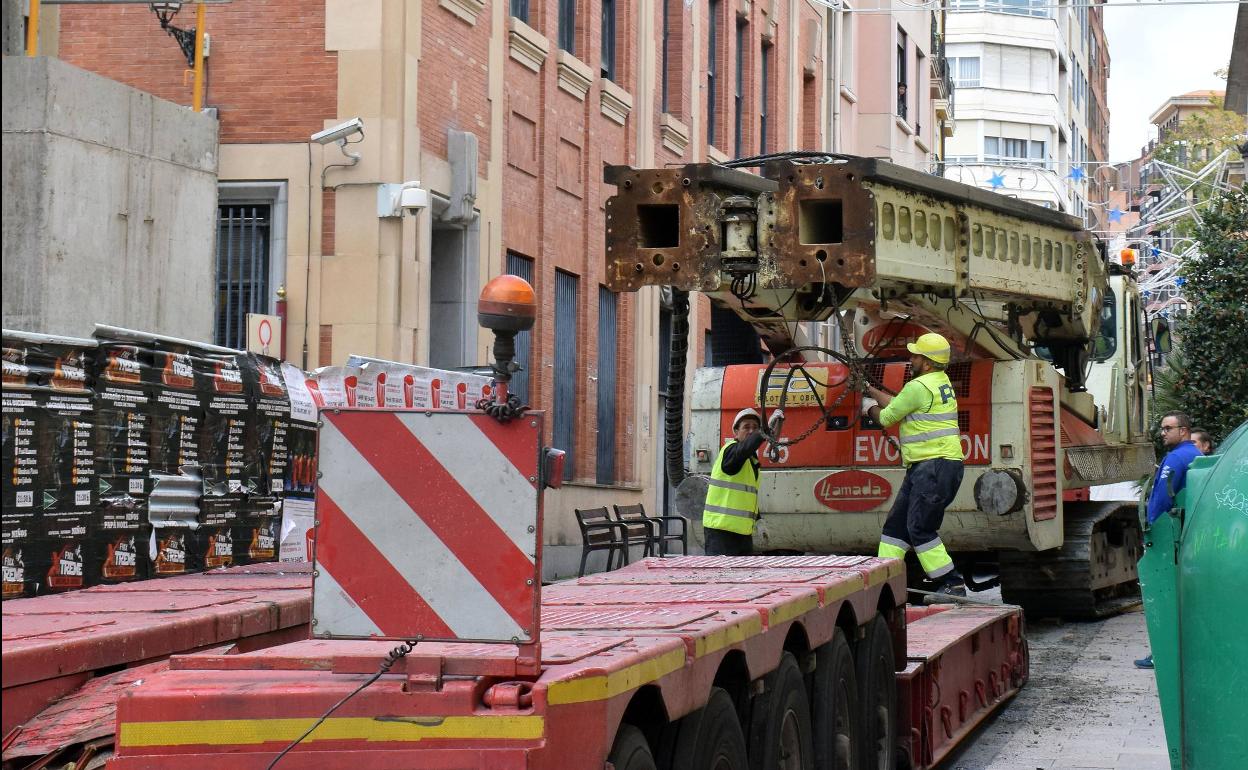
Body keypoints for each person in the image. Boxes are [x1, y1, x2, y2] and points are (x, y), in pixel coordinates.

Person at [860, 332, 967, 596]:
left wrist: (867, 406)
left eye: (916, 355)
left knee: (920, 527)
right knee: (896, 528)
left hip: (933, 466)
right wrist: (871, 390)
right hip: (931, 466)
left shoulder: (918, 387)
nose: (912, 358)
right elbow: (899, 405)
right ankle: (882, 581)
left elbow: (886, 417)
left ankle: (952, 583)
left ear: (927, 362)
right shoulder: (938, 381)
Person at [1134, 411, 1203, 670]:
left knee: (1164, 597)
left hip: (1168, 538)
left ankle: (1162, 653)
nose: (1163, 433)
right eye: (1162, 429)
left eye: (1167, 428)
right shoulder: (1196, 455)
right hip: (1187, 534)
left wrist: (1150, 526)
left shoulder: (1176, 458)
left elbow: (1162, 498)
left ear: (1183, 430)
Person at [703, 408, 777, 556]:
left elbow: (745, 497)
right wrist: (763, 431)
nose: (751, 431)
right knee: (722, 578)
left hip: (742, 533)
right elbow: (743, 450)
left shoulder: (751, 461)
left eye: (755, 428)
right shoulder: (731, 451)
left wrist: (758, 520)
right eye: (746, 427)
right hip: (721, 532)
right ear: (736, 432)